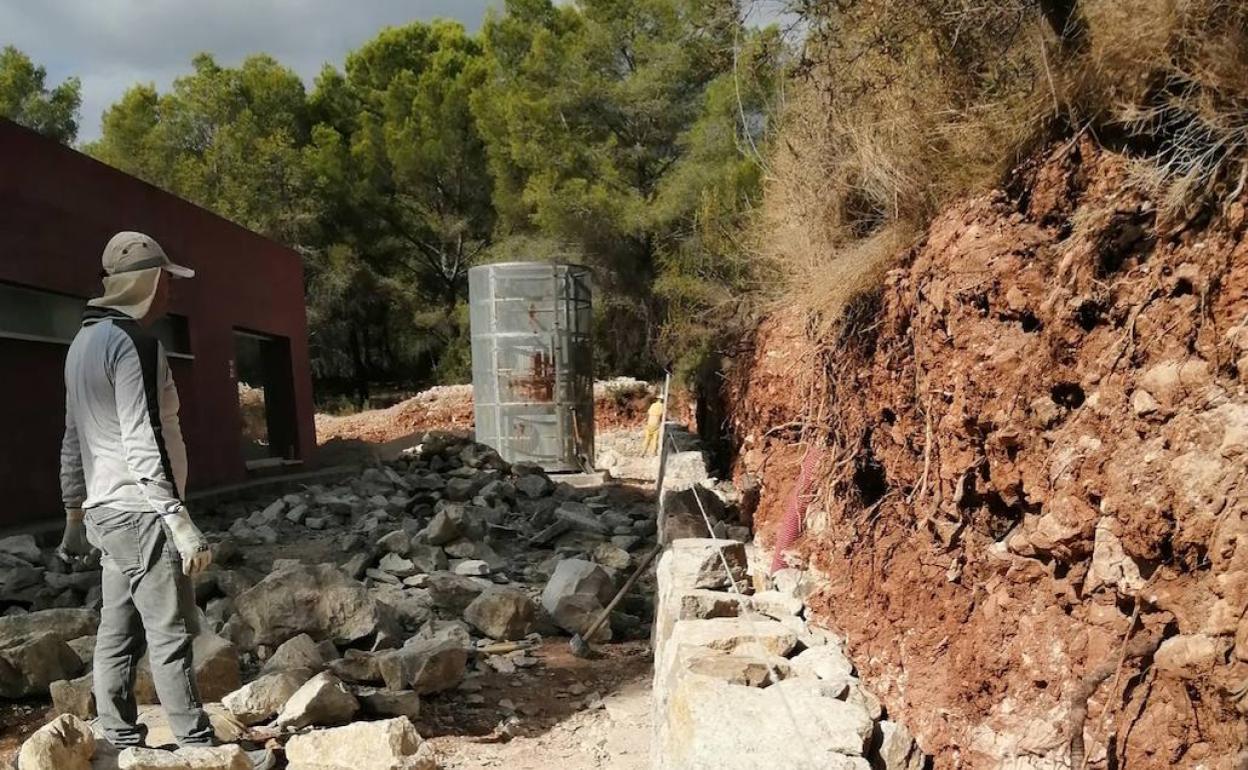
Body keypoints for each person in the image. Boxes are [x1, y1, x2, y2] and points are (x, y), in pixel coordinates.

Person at [57, 232, 273, 770]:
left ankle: (121, 739)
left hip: (107, 514)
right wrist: (178, 519)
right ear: (147, 282)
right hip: (143, 512)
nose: (170, 295)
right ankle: (198, 747)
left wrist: (73, 512)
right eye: (166, 283)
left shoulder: (81, 345)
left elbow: (70, 436)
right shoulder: (134, 343)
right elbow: (142, 434)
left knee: (118, 627)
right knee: (171, 631)